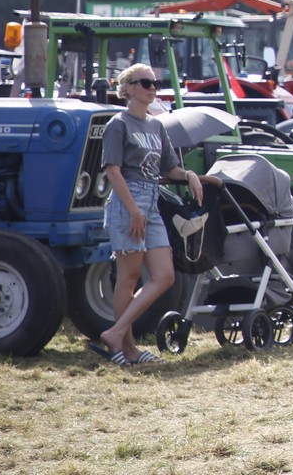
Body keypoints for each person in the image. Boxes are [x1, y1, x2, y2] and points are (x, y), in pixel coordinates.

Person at [94, 63, 205, 367]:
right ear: (129, 88)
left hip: (152, 201)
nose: (152, 87)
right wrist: (133, 210)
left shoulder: (156, 126)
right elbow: (113, 172)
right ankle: (127, 348)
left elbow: (169, 168)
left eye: (155, 82)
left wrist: (189, 175)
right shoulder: (118, 124)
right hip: (127, 201)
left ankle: (115, 333)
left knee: (165, 275)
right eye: (145, 83)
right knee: (128, 278)